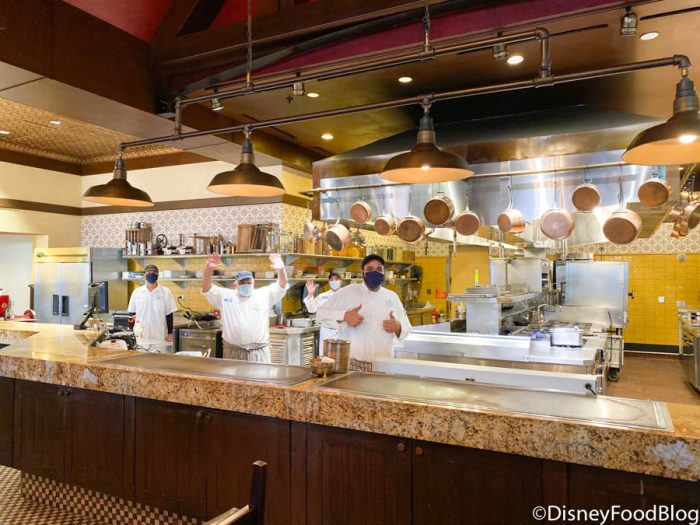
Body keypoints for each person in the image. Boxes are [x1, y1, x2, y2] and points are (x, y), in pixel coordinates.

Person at [316, 254, 411, 371]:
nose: (375, 273)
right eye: (370, 269)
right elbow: (321, 313)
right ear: (362, 272)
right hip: (354, 364)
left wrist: (398, 327)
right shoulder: (347, 292)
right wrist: (344, 315)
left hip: (384, 365)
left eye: (379, 269)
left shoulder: (392, 296)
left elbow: (407, 327)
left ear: (384, 273)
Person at [201, 253, 288, 362]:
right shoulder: (225, 296)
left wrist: (281, 270)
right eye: (242, 282)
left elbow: (282, 286)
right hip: (233, 352)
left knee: (261, 374)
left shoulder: (263, 295)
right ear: (235, 284)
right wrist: (208, 270)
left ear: (253, 283)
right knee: (232, 374)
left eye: (248, 282)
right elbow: (207, 290)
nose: (246, 284)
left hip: (259, 352)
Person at [127, 264, 177, 342]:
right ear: (144, 274)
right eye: (148, 272)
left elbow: (169, 314)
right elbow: (131, 314)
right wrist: (131, 331)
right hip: (141, 335)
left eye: (154, 272)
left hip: (159, 335)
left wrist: (170, 333)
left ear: (158, 274)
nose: (151, 274)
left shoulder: (165, 292)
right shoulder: (137, 292)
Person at [303, 272, 343, 352]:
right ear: (329, 282)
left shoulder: (347, 295)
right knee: (325, 356)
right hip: (326, 331)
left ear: (341, 281)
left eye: (336, 280)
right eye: (331, 280)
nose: (334, 282)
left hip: (342, 331)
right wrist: (310, 294)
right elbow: (312, 309)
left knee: (341, 356)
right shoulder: (323, 296)